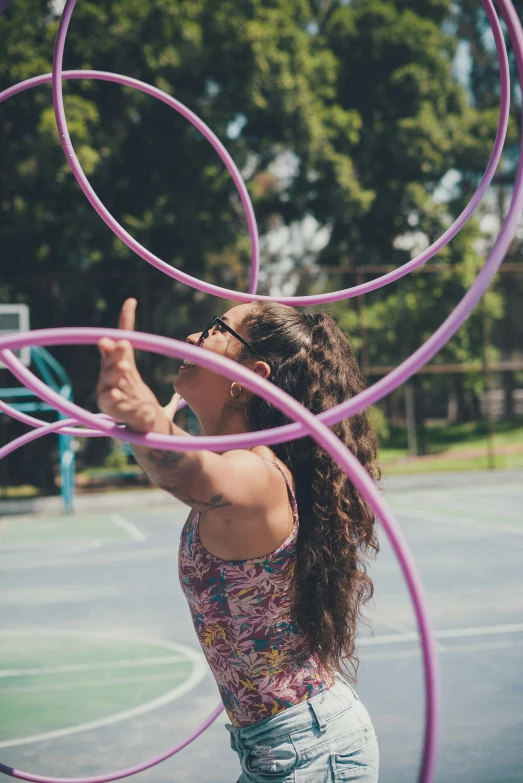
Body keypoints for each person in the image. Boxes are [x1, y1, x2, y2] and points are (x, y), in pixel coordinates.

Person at [97, 297, 381, 782]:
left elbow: (191, 476)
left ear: (250, 376)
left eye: (214, 330)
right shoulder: (245, 467)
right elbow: (187, 465)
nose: (192, 338)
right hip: (284, 746)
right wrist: (152, 427)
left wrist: (147, 422)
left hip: (309, 752)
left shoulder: (260, 475)